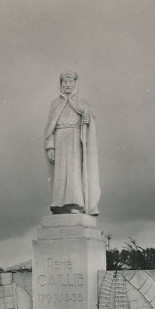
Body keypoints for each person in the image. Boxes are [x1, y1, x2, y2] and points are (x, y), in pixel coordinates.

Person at [43, 71, 100, 215]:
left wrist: (86, 122)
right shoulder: (55, 103)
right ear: (61, 84)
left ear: (75, 83)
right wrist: (50, 146)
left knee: (74, 172)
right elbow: (50, 127)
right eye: (64, 82)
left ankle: (76, 203)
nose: (67, 85)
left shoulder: (82, 102)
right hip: (60, 138)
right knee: (60, 174)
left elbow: (89, 120)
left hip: (75, 137)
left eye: (70, 82)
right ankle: (60, 204)